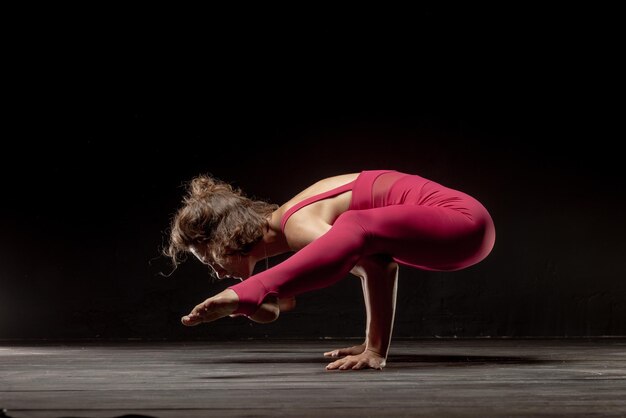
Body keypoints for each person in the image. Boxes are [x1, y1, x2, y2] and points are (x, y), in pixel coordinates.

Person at [164, 169, 496, 371]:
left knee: (354, 227)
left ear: (226, 239)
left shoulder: (295, 224)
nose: (217, 273)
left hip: (463, 223)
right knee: (356, 235)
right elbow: (376, 262)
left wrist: (376, 351)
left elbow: (376, 265)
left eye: (211, 262)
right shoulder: (291, 223)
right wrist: (370, 345)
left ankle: (255, 291)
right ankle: (261, 291)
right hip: (459, 238)